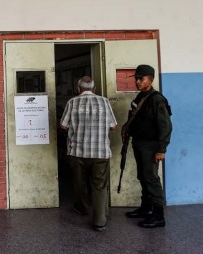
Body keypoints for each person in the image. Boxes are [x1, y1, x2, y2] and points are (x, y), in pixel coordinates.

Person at [60, 76, 117, 232]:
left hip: (77, 151)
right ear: (94, 89)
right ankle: (100, 220)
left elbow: (63, 126)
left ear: (78, 89)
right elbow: (113, 126)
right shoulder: (105, 102)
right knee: (99, 185)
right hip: (100, 152)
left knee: (80, 182)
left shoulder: (72, 102)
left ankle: (83, 208)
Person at [122, 64, 172, 228]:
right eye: (136, 78)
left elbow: (166, 126)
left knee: (151, 179)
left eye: (141, 78)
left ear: (150, 79)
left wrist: (161, 149)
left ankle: (158, 216)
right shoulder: (140, 97)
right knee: (143, 176)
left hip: (151, 146)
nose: (137, 81)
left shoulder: (157, 99)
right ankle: (146, 208)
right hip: (140, 143)